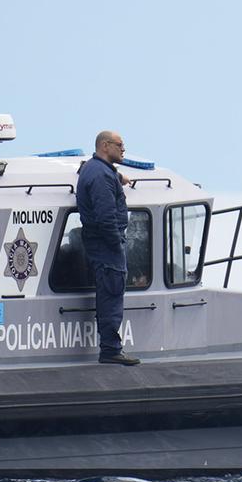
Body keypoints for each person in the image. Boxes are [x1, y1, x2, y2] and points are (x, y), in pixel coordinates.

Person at [76, 130, 141, 365]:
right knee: (111, 293)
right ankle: (111, 350)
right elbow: (106, 217)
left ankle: (111, 348)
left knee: (109, 291)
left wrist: (118, 176)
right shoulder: (101, 176)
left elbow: (98, 173)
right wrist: (116, 244)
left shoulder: (95, 169)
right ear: (105, 146)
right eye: (119, 145)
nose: (123, 149)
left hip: (99, 242)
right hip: (106, 244)